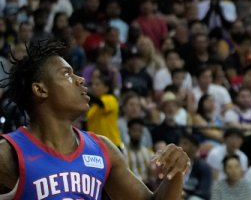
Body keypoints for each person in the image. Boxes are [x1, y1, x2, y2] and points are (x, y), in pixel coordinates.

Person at [0, 40, 190, 200]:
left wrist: (175, 174)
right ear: (41, 89)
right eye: (66, 74)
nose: (80, 79)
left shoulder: (102, 149)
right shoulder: (8, 153)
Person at [87, 69, 121, 147]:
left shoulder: (110, 99)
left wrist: (86, 93)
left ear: (106, 88)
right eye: (93, 85)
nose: (93, 87)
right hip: (96, 146)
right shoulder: (93, 106)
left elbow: (101, 103)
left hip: (111, 145)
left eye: (97, 84)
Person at [179, 133, 213, 200]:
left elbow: (205, 192)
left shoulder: (204, 167)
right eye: (180, 143)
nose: (180, 146)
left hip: (192, 196)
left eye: (185, 144)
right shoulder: (172, 164)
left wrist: (186, 194)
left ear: (194, 148)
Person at [124, 118, 155, 185]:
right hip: (128, 185)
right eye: (134, 130)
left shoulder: (148, 152)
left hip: (146, 186)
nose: (137, 133)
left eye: (140, 131)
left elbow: (152, 173)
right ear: (128, 131)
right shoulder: (123, 152)